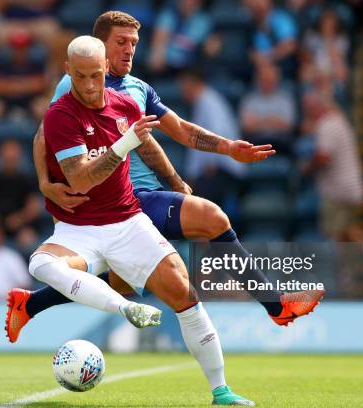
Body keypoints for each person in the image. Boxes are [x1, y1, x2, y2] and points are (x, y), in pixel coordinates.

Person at [24, 11, 323, 336]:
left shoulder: (138, 88)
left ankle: (29, 305)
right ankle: (276, 305)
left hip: (141, 196)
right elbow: (44, 135)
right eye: (121, 42)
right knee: (213, 219)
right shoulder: (79, 81)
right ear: (99, 46)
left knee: (125, 283)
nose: (129, 50)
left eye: (134, 43)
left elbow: (179, 130)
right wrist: (45, 184)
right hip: (113, 203)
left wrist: (227, 149)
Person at [8, 36, 256, 406]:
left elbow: (149, 142)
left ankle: (221, 391)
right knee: (41, 263)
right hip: (79, 229)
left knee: (183, 293)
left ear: (106, 68)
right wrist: (119, 146)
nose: (90, 86)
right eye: (80, 77)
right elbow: (81, 178)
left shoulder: (125, 103)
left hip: (127, 223)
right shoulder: (60, 114)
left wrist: (174, 181)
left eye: (96, 75)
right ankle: (124, 307)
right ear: (67, 72)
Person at [301, 91, 363, 243]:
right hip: (350, 187)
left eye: (308, 109)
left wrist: (307, 167)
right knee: (348, 231)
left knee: (335, 234)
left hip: (338, 191)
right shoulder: (338, 120)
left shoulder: (327, 125)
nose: (307, 113)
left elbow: (324, 156)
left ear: (316, 107)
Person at [177, 68, 245, 204]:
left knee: (198, 207)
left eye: (184, 85)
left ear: (192, 84)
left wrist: (210, 164)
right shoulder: (202, 102)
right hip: (214, 169)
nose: (182, 90)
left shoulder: (209, 102)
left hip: (221, 168)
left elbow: (216, 134)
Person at [0, 139, 42, 251]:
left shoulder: (28, 181)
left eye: (13, 159)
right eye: (7, 159)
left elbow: (34, 208)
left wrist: (19, 219)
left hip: (19, 226)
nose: (10, 162)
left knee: (28, 238)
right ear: (0, 158)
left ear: (19, 159)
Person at [240, 61, 296, 154]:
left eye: (271, 80)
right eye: (264, 80)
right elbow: (247, 127)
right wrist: (274, 120)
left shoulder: (285, 99)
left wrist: (259, 122)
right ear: (258, 80)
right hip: (256, 143)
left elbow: (287, 126)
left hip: (281, 144)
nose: (268, 83)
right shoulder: (249, 100)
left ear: (277, 80)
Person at [147, 0, 213, 75]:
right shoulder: (167, 15)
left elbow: (204, 47)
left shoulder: (204, 20)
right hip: (167, 65)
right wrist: (157, 56)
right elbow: (158, 42)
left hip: (190, 66)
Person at [0, 31, 47, 120]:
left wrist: (10, 85)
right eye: (17, 48)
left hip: (30, 100)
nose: (20, 51)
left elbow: (39, 86)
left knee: (41, 110)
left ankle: (42, 134)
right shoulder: (3, 64)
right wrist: (27, 85)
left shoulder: (36, 65)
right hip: (6, 101)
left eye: (23, 48)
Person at [243, 0, 298, 77]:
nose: (257, 4)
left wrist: (269, 58)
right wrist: (257, 58)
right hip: (259, 68)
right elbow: (250, 50)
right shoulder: (250, 24)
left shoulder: (281, 19)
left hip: (282, 65)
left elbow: (290, 45)